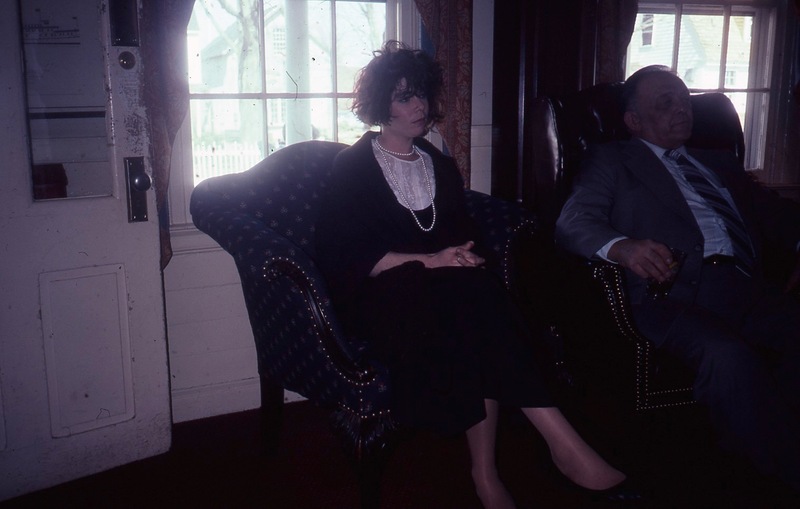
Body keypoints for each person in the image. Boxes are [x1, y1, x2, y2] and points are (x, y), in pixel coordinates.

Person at [314, 41, 639, 509]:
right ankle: (555, 449)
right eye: (405, 96)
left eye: (422, 93)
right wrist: (433, 261)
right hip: (381, 296)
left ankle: (491, 473)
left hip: (446, 293)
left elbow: (462, 234)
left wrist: (464, 255)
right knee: (476, 307)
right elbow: (343, 255)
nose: (419, 105)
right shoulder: (352, 167)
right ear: (381, 103)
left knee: (473, 305)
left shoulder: (439, 165)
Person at [556, 64, 800, 493]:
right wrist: (623, 246)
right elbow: (572, 222)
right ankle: (781, 477)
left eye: (684, 101)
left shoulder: (719, 162)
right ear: (633, 121)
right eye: (665, 103)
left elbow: (777, 215)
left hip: (746, 288)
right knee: (727, 356)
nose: (682, 110)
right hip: (670, 296)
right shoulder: (613, 160)